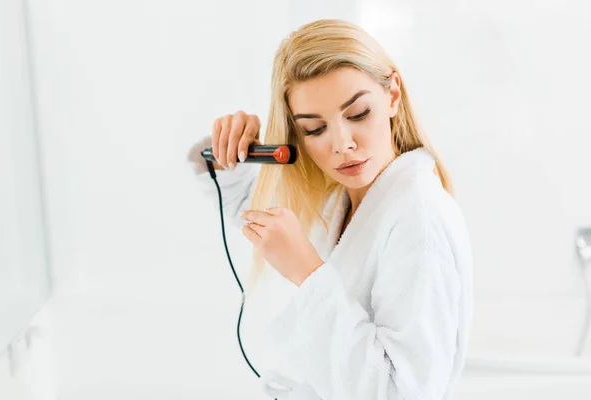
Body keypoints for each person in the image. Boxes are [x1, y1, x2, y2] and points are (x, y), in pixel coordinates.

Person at [189, 18, 473, 400]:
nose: (341, 145)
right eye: (314, 129)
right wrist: (229, 154)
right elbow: (251, 212)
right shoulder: (339, 198)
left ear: (392, 95)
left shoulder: (416, 216)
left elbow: (402, 393)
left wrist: (308, 272)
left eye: (357, 115)